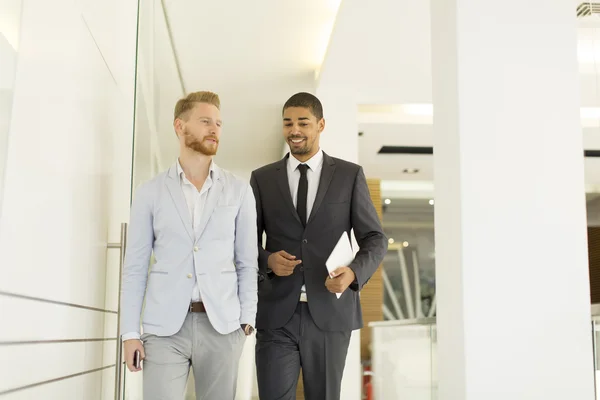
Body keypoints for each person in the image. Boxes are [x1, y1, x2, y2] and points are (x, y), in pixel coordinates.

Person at [120, 91, 258, 400]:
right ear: (179, 127)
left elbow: (247, 262)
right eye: (205, 121)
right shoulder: (150, 192)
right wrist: (130, 333)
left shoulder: (238, 191)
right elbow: (135, 267)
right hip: (164, 328)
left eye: (219, 123)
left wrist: (247, 321)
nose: (214, 129)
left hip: (222, 327)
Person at [250, 92, 388, 400]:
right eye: (288, 123)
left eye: (303, 122)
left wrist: (353, 273)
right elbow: (244, 243)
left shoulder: (349, 176)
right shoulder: (261, 179)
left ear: (320, 124)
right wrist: (268, 259)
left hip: (330, 313)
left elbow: (375, 239)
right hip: (276, 314)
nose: (294, 130)